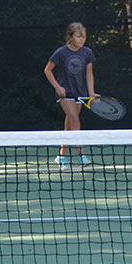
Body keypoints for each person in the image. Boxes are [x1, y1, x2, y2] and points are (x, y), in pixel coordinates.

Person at [43, 22, 97, 169]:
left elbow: (89, 73)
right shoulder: (61, 52)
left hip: (80, 94)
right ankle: (82, 156)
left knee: (69, 125)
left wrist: (91, 92)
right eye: (79, 37)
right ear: (71, 37)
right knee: (75, 121)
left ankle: (61, 157)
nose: (82, 39)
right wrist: (57, 87)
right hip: (65, 94)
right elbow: (47, 70)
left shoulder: (87, 52)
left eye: (84, 37)